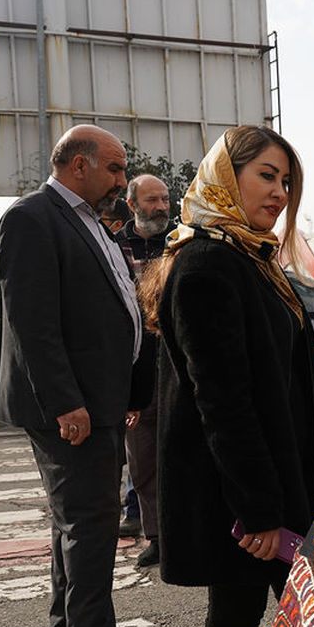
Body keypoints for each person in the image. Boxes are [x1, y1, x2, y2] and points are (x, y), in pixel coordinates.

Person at [138, 125, 314, 627]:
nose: (279, 192)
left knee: (241, 611)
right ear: (227, 177)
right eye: (266, 176)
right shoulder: (207, 264)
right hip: (245, 491)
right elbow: (223, 401)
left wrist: (307, 357)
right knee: (301, 617)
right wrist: (259, 512)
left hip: (263, 480)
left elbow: (253, 354)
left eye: (286, 181)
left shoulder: (245, 253)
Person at [0, 124, 149, 627]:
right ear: (78, 164)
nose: (122, 181)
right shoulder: (31, 218)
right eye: (115, 168)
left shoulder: (91, 223)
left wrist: (128, 394)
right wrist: (66, 403)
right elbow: (32, 324)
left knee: (78, 522)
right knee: (90, 524)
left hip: (99, 401)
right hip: (72, 407)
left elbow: (114, 310)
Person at [115, 174, 176, 565]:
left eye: (165, 199)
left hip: (180, 365)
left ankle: (189, 533)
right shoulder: (113, 246)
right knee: (143, 461)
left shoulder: (181, 241)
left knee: (187, 455)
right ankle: (156, 538)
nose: (161, 207)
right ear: (132, 204)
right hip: (136, 369)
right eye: (152, 200)